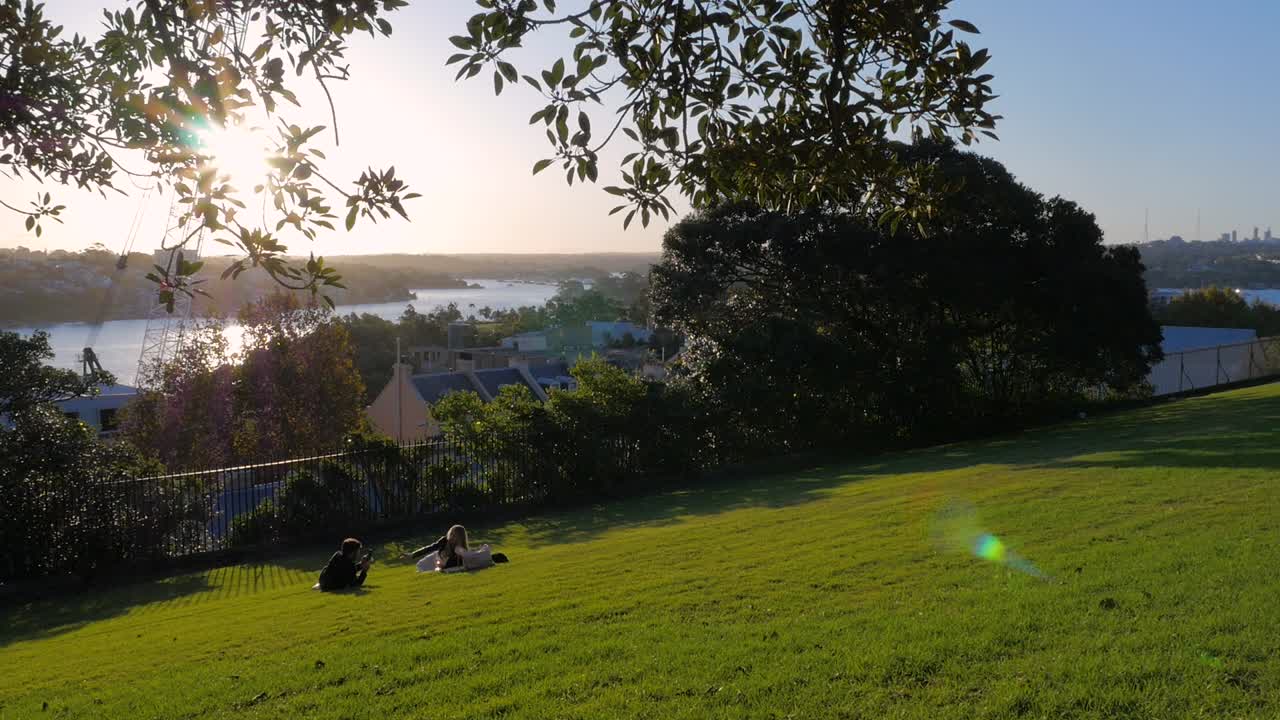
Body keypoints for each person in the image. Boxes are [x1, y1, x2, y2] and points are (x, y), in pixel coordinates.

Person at [402, 524, 469, 571]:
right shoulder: (444, 540)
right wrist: (413, 554)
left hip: (443, 563)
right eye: (451, 534)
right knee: (420, 566)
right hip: (437, 556)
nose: (452, 537)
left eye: (454, 535)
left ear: (460, 537)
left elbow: (459, 564)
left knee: (439, 569)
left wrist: (443, 566)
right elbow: (431, 547)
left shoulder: (460, 549)